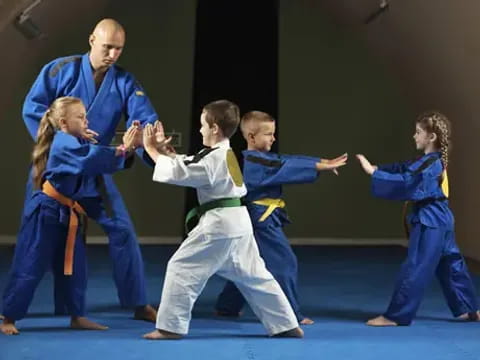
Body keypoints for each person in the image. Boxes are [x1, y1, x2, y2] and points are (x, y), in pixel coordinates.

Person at [141, 100, 336, 339]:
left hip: (220, 225)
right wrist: (164, 152)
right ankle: (286, 324)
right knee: (255, 275)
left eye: (203, 125)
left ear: (214, 128)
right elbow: (190, 163)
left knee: (181, 268)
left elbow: (181, 171)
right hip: (238, 223)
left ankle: (169, 328)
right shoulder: (223, 153)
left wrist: (150, 148)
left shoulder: (216, 158)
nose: (200, 129)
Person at [21, 18, 158, 321]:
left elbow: (145, 119)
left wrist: (154, 145)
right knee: (39, 237)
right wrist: (63, 146)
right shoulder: (61, 69)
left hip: (96, 169)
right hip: (55, 170)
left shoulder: (124, 82)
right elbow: (33, 109)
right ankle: (18, 311)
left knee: (122, 230)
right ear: (92, 40)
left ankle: (138, 303)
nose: (112, 54)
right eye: (107, 46)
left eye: (118, 49)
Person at [1, 97, 139, 335]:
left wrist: (127, 150)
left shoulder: (72, 141)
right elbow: (88, 160)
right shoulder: (64, 141)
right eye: (80, 117)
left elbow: (91, 158)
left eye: (85, 116)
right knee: (30, 262)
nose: (86, 120)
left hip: (67, 212)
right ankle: (8, 316)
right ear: (63, 122)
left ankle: (77, 315)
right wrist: (123, 148)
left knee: (74, 267)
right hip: (45, 212)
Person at [215, 110, 347, 325]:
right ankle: (290, 314)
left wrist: (322, 161)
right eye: (268, 134)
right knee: (285, 263)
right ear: (251, 137)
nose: (273, 138)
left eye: (273, 133)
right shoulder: (255, 163)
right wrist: (319, 166)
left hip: (259, 218)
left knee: (247, 263)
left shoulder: (263, 159)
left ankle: (227, 306)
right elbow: (284, 166)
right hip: (261, 221)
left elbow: (286, 159)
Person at [356, 111, 479, 326]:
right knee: (451, 264)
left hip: (430, 219)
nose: (414, 136)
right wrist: (378, 169)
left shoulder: (430, 164)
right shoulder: (430, 161)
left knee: (415, 265)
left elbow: (407, 180)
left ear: (431, 137)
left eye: (418, 132)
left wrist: (373, 174)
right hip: (443, 219)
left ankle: (396, 316)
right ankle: (469, 309)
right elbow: (405, 168)